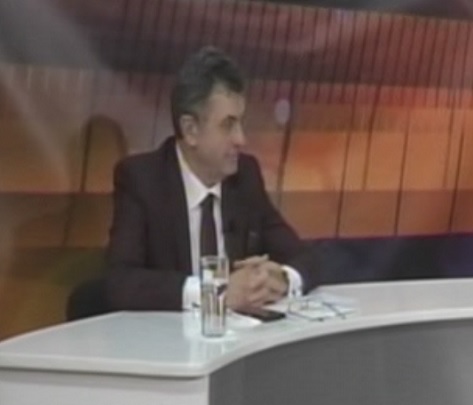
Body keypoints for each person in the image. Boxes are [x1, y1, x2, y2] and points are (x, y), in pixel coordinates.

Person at [106, 46, 317, 312]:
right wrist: (216, 292)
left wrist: (282, 279)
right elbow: (121, 283)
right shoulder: (143, 180)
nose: (241, 139)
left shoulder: (245, 176)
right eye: (228, 125)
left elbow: (305, 257)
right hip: (169, 336)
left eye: (240, 123)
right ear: (190, 130)